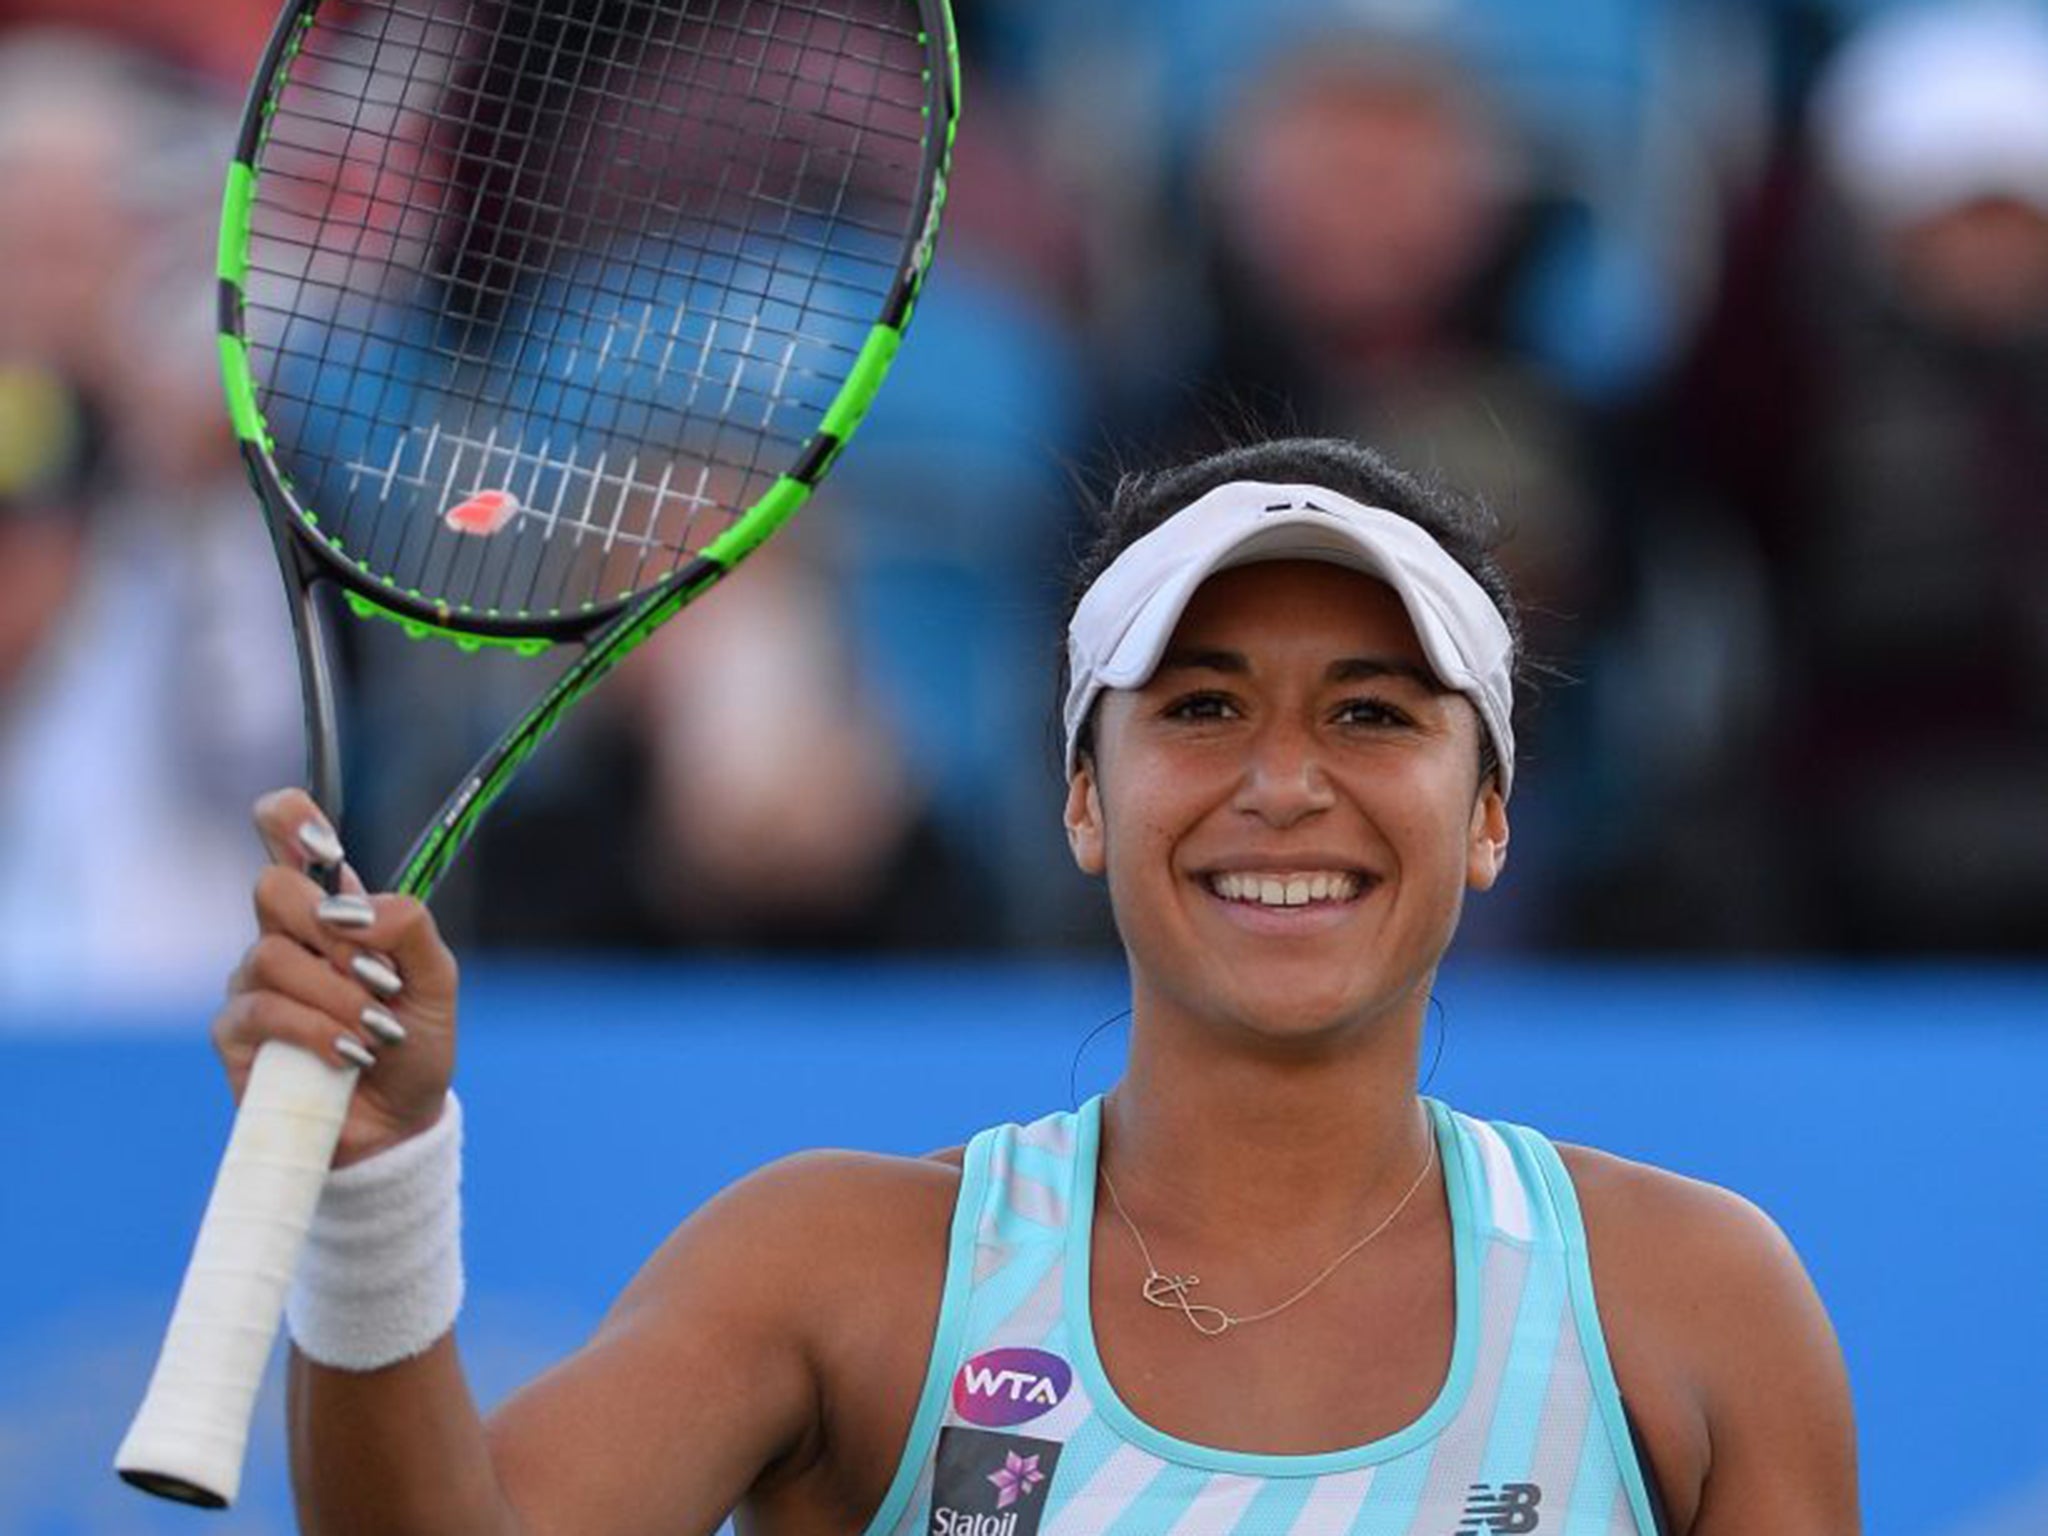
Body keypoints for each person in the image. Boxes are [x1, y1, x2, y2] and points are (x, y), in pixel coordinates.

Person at [215, 437, 1857, 1534]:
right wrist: (372, 1188)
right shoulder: (837, 1268)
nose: (1283, 783)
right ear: (1083, 798)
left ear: (1489, 814)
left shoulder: (1698, 1302)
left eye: (1373, 714)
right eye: (1202, 709)